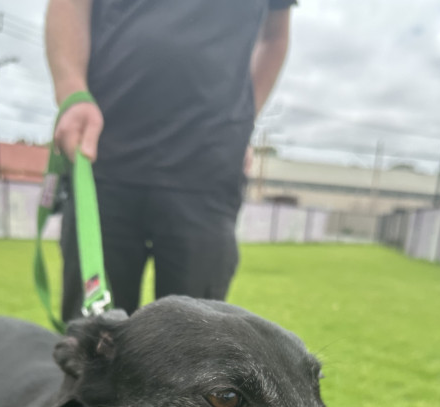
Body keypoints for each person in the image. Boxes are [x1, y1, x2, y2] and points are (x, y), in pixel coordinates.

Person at [46, 0, 295, 320]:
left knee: (198, 339)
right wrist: (72, 92)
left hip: (210, 165)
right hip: (101, 154)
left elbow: (275, 35)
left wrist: (244, 121)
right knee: (92, 335)